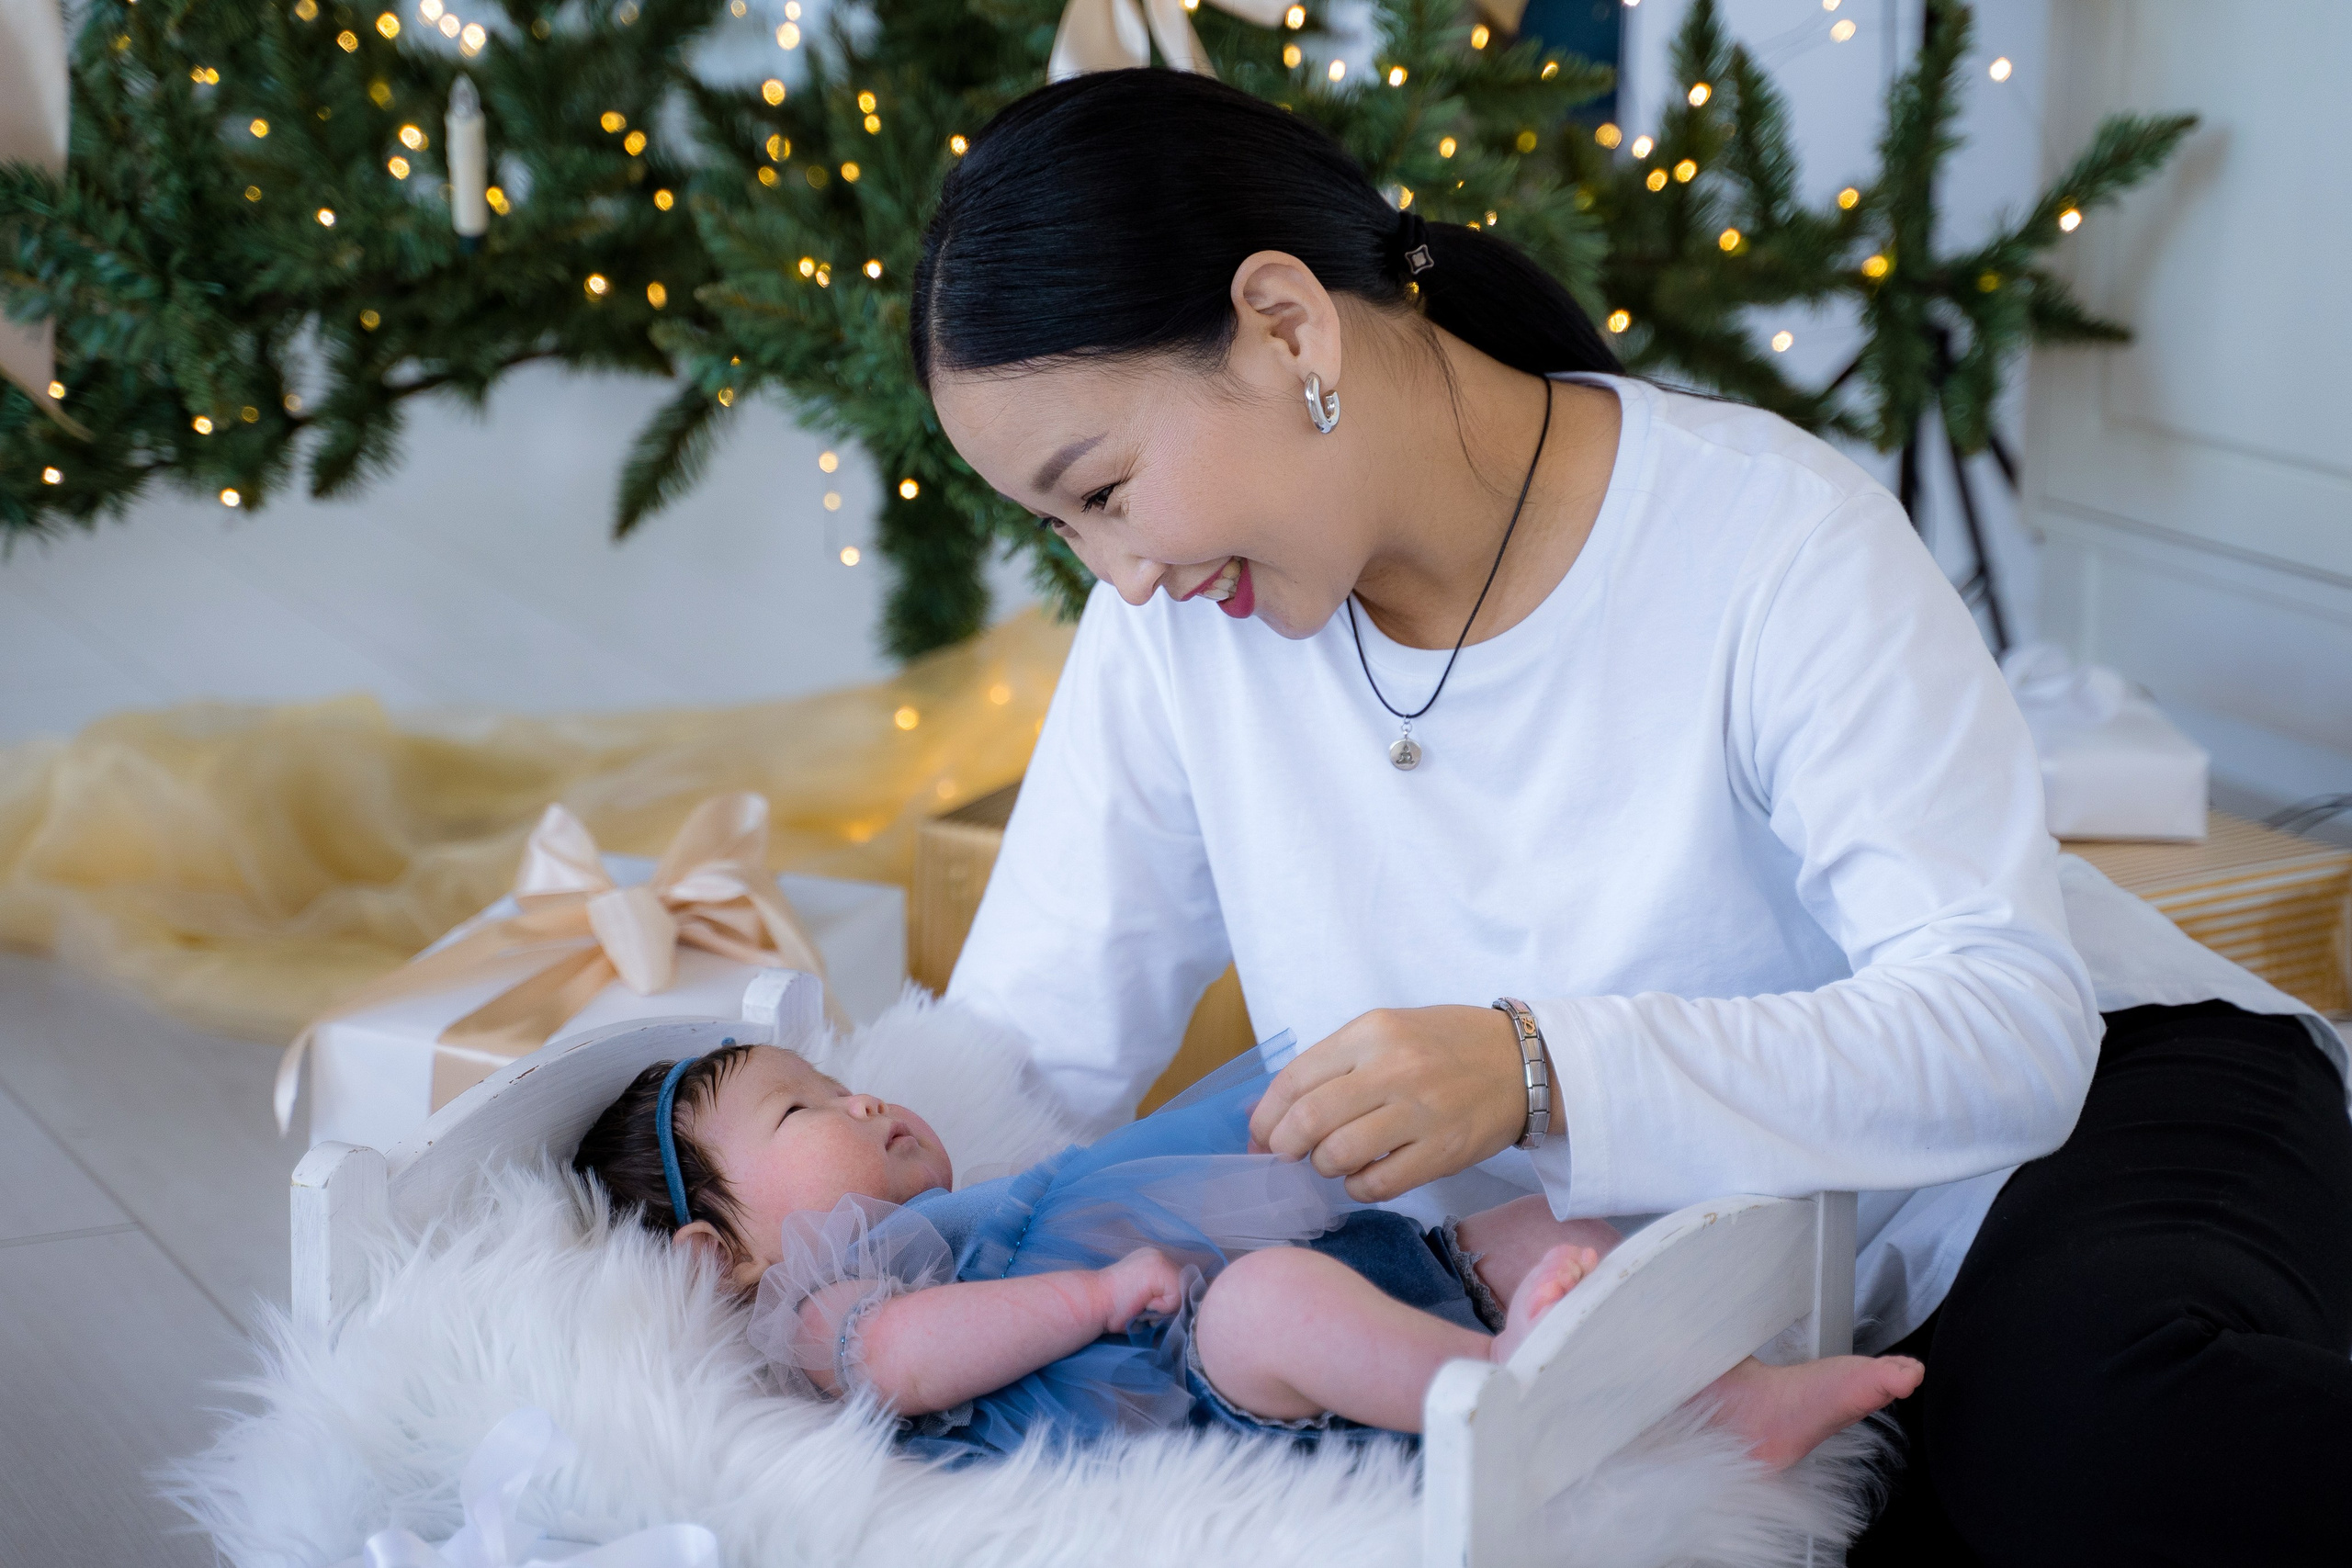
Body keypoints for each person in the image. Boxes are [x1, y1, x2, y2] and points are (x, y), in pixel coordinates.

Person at [917, 68, 2352, 1563]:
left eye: (1105, 488)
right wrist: (795, 1272)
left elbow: (2006, 1029)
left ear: (1287, 325)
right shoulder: (1176, 634)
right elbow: (1031, 1053)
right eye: (1060, 526)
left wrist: (1535, 1067)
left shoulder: (1769, 535)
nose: (1119, 571)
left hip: (2069, 1131)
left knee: (2082, 1446)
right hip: (1721, 1287)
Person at [571, 1035, 1922, 1462]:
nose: (863, 1098)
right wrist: (1097, 1291)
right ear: (716, 1252)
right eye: (807, 1110)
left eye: (845, 1075)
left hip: (1374, 1270)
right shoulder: (820, 1303)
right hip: (1195, 1369)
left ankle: (1716, 1396)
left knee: (1536, 1223)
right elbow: (910, 1362)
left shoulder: (977, 1215)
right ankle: (1508, 1382)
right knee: (1272, 1297)